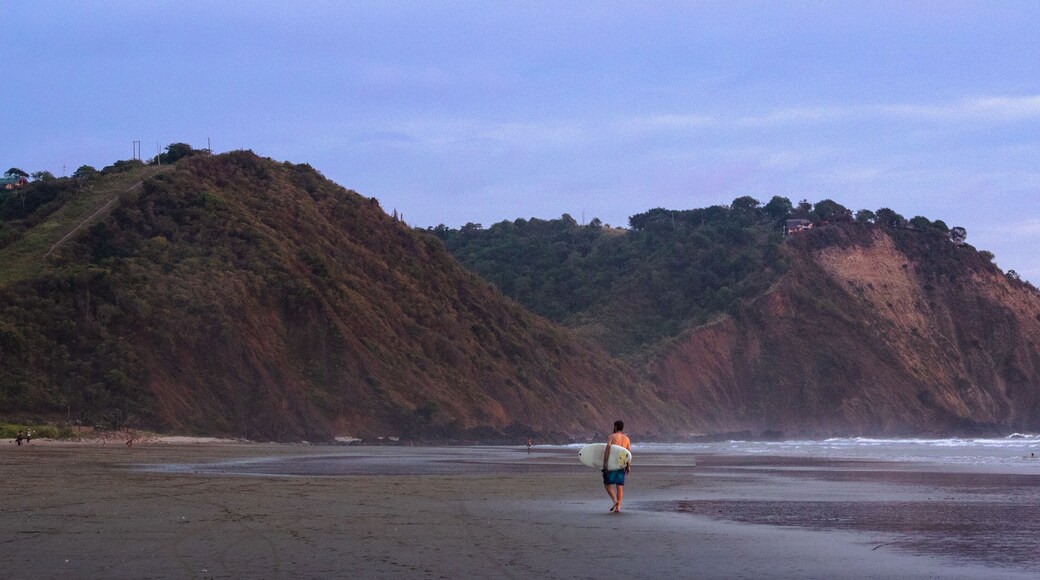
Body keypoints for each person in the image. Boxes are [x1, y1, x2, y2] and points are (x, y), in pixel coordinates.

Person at [602, 420, 631, 513]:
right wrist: (628, 465)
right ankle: (618, 507)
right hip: (621, 463)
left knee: (607, 484)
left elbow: (607, 450)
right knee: (619, 486)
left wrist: (605, 463)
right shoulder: (627, 439)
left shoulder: (611, 436)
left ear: (615, 426)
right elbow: (628, 453)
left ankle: (615, 500)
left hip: (612, 463)